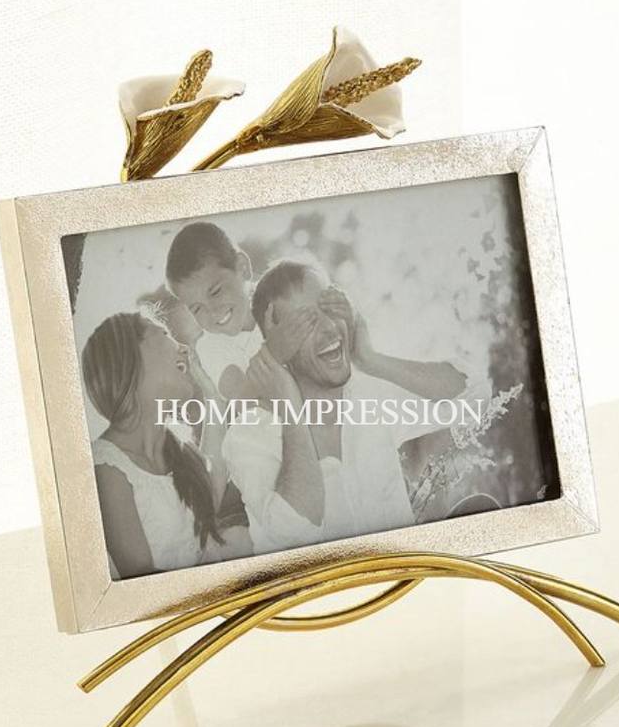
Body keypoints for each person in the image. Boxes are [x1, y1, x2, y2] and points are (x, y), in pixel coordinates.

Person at [223, 259, 473, 554]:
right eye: (306, 323)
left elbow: (472, 395)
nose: (330, 329)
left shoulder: (369, 397)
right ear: (279, 348)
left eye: (331, 309)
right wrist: (289, 406)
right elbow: (293, 531)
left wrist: (369, 358)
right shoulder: (249, 435)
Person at [81, 311, 249, 578]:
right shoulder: (107, 468)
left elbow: (214, 485)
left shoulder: (179, 454)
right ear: (132, 358)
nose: (184, 349)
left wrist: (211, 394)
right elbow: (144, 581)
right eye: (164, 334)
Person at [164, 221, 264, 401]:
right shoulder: (210, 347)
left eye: (216, 292)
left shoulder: (277, 295)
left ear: (242, 268)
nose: (212, 312)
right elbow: (246, 399)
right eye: (197, 308)